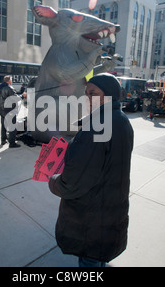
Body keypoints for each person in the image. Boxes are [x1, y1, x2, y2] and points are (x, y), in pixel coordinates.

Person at [48, 73, 134, 267]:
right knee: (97, 258)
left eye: (93, 93)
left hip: (91, 217)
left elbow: (73, 182)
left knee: (90, 261)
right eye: (86, 93)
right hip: (109, 208)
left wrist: (54, 182)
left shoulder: (98, 127)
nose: (87, 98)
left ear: (110, 95)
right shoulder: (120, 119)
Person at [0, 75, 25, 148]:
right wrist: (23, 96)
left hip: (2, 110)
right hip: (9, 111)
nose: (12, 82)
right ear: (9, 81)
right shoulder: (9, 88)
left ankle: (3, 140)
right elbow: (15, 98)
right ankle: (12, 143)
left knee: (3, 126)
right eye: (11, 80)